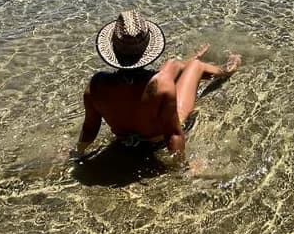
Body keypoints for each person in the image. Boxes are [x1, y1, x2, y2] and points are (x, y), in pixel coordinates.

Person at [72, 10, 240, 160]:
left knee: (172, 64)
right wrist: (181, 166)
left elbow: (90, 128)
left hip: (125, 138)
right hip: (155, 138)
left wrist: (78, 152)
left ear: (113, 50)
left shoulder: (96, 85)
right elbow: (173, 133)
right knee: (195, 67)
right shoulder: (161, 85)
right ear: (147, 49)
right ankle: (226, 69)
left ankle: (191, 61)